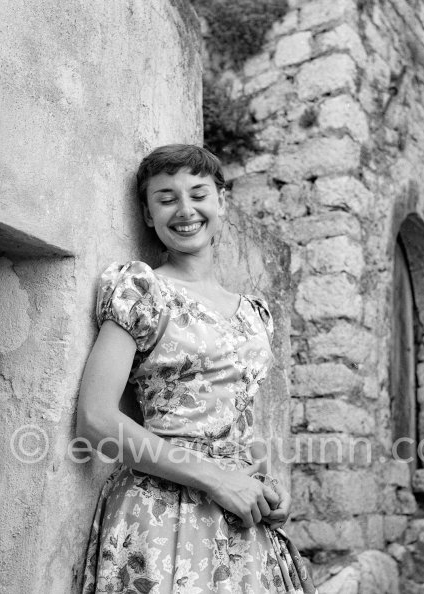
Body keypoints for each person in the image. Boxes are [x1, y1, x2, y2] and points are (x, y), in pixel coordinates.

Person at [77, 144, 317, 593]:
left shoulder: (255, 313)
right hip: (161, 513)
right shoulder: (143, 289)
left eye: (198, 193)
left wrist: (268, 486)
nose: (185, 210)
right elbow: (95, 421)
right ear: (149, 216)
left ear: (221, 201)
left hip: (243, 518)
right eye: (166, 198)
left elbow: (243, 416)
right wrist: (215, 479)